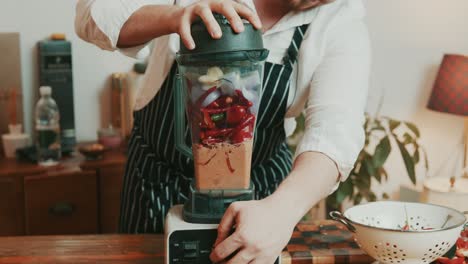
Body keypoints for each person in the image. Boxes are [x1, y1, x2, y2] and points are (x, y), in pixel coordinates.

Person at [75, 0, 370, 262]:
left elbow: (335, 130)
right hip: (155, 183)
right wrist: (174, 16)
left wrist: (281, 211)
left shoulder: (340, 17)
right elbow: (92, 14)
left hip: (262, 197)